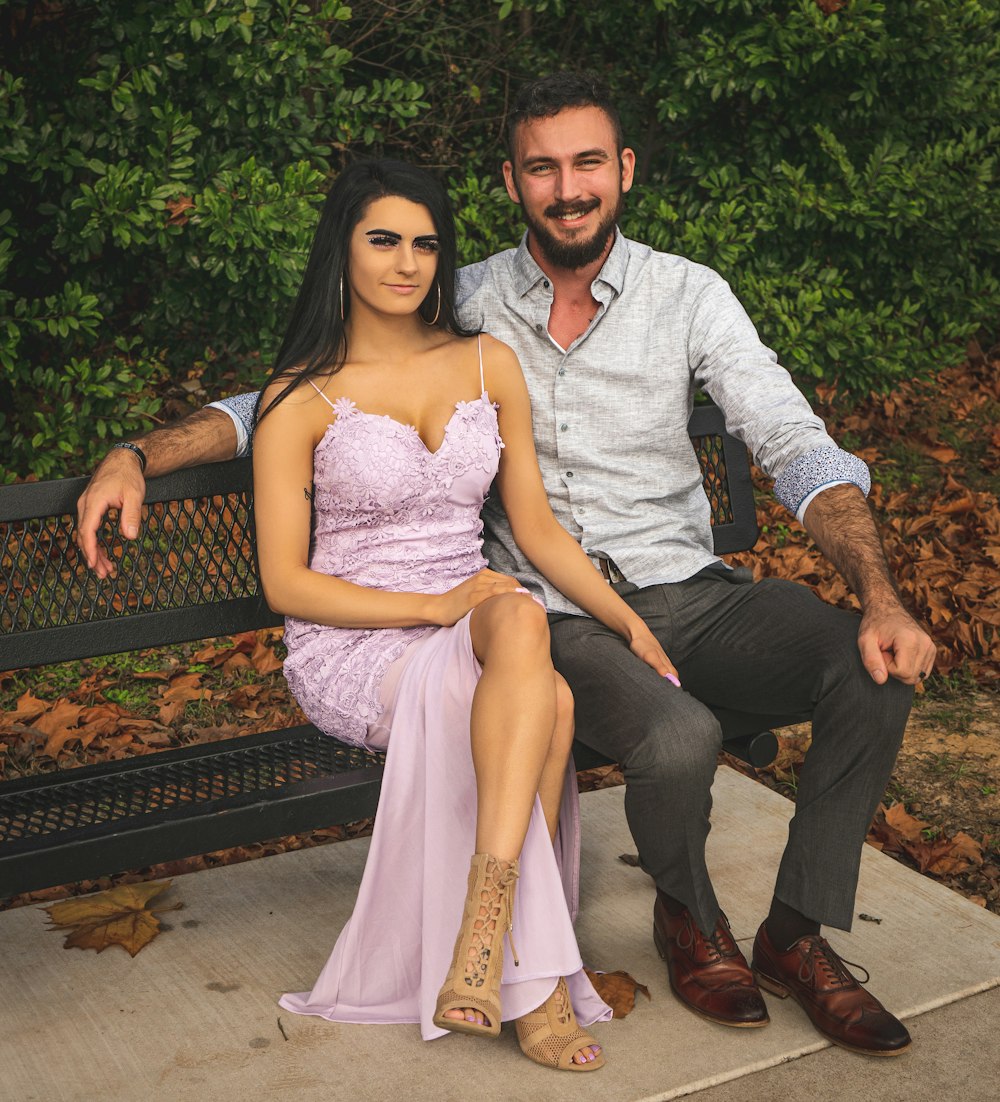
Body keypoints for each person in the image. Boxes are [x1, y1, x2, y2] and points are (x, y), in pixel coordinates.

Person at [77, 74, 936, 1058]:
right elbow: (284, 400)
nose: (566, 187)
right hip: (537, 613)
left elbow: (792, 440)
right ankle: (688, 922)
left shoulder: (688, 294)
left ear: (622, 171)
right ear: (512, 181)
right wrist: (139, 452)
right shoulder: (467, 297)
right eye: (542, 167)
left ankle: (797, 933)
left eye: (585, 163)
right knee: (676, 734)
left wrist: (880, 595)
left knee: (864, 664)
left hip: (686, 594)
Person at [246, 157, 684, 1070]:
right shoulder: (302, 396)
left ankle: (482, 944)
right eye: (383, 240)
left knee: (518, 617)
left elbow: (539, 530)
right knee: (549, 699)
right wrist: (435, 604)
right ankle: (528, 973)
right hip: (356, 642)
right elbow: (286, 585)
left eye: (425, 244)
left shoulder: (489, 363)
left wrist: (626, 619)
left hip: (474, 621)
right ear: (343, 250)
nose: (407, 262)